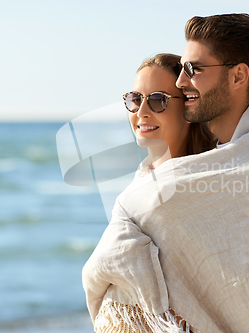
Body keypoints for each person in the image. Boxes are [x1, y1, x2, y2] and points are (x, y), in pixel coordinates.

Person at [84, 14, 249, 333]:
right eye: (134, 99)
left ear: (238, 76)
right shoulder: (195, 173)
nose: (182, 81)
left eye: (193, 70)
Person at [83, 53, 215, 333]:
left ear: (188, 108)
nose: (142, 111)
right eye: (134, 99)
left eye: (157, 100)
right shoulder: (139, 185)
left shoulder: (206, 188)